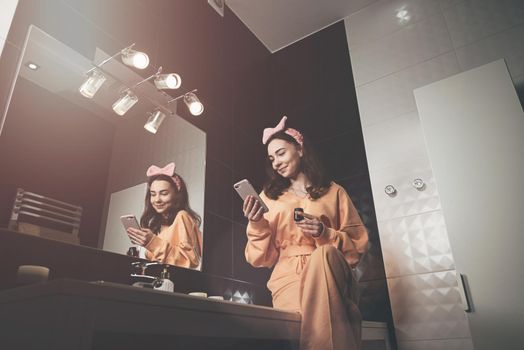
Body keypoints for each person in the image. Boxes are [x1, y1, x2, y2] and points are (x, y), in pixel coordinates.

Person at [242, 116, 369, 350]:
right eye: (271, 158)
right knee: (326, 321)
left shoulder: (334, 191)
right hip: (287, 278)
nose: (276, 163)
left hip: (332, 271)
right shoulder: (268, 197)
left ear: (299, 149)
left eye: (281, 153)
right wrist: (257, 223)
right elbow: (261, 259)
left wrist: (324, 233)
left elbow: (356, 249)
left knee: (324, 255)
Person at [127, 162, 203, 269]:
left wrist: (152, 242)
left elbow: (189, 261)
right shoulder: (155, 225)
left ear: (176, 195)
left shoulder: (182, 216)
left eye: (164, 193)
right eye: (153, 194)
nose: (157, 200)